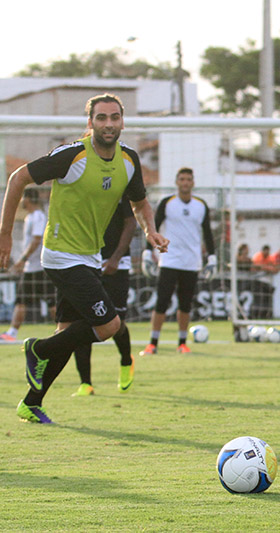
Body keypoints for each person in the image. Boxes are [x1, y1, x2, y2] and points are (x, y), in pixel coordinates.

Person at [0, 93, 168, 423]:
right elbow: (17, 178)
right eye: (101, 118)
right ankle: (38, 349)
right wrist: (5, 234)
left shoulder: (129, 160)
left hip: (89, 257)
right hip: (61, 255)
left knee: (66, 332)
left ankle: (31, 403)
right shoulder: (72, 155)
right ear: (89, 122)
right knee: (108, 326)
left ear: (122, 121)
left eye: (114, 117)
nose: (108, 124)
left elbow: (140, 203)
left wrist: (150, 231)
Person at [139, 167, 215, 355]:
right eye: (182, 179)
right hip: (169, 260)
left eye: (188, 179)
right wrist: (147, 253)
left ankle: (182, 342)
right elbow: (153, 228)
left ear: (193, 182)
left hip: (191, 262)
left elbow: (208, 233)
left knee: (185, 304)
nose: (185, 183)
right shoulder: (167, 203)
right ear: (177, 182)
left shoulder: (201, 205)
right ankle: (153, 342)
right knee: (162, 302)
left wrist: (212, 258)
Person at [72, 198, 137, 395]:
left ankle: (126, 360)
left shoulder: (119, 185)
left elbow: (131, 222)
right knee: (82, 321)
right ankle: (86, 383)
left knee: (116, 324)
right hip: (86, 261)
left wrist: (116, 258)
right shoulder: (83, 186)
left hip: (117, 264)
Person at [1, 189, 56, 342]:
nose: (20, 201)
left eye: (23, 198)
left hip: (36, 266)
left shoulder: (38, 216)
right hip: (36, 266)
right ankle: (61, 330)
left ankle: (12, 333)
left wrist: (23, 259)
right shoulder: (31, 217)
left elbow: (37, 239)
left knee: (23, 300)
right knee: (45, 301)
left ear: (28, 199)